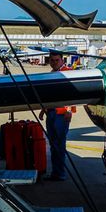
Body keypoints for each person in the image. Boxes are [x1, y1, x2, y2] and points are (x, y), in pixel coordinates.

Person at [40, 50, 76, 180]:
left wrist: (69, 110)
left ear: (62, 60)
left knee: (59, 144)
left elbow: (73, 93)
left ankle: (60, 173)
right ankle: (56, 172)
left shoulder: (67, 72)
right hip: (51, 113)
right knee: (54, 144)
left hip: (61, 114)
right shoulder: (52, 73)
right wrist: (43, 109)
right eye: (52, 60)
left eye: (57, 60)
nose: (54, 63)